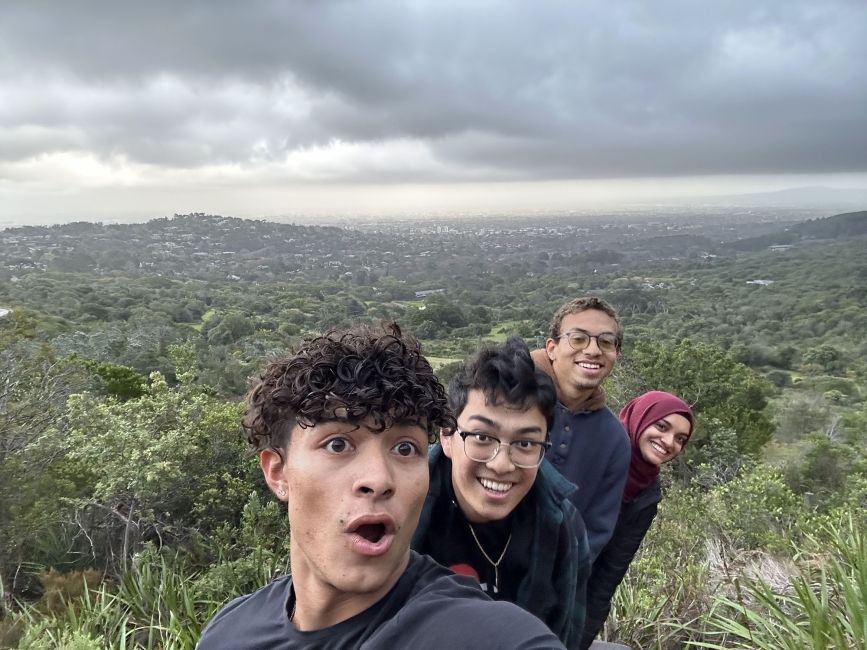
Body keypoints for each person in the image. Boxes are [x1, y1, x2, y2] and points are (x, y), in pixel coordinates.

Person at [197, 323, 565, 650]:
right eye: (338, 444)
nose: (378, 479)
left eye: (405, 448)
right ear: (278, 472)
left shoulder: (488, 635)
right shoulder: (229, 631)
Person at [412, 337, 591, 647]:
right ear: (447, 436)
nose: (501, 464)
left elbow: (565, 633)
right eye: (482, 437)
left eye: (525, 444)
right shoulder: (402, 506)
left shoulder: (561, 525)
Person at [578, 391, 695, 649]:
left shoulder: (646, 495)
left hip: (575, 598)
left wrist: (581, 639)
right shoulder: (593, 448)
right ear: (640, 418)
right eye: (662, 426)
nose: (668, 442)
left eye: (680, 439)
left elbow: (609, 574)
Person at [532, 296, 630, 561]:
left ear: (616, 355)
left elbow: (596, 531)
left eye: (606, 342)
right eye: (578, 338)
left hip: (546, 586)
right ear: (552, 348)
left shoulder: (614, 439)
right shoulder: (505, 398)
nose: (593, 350)